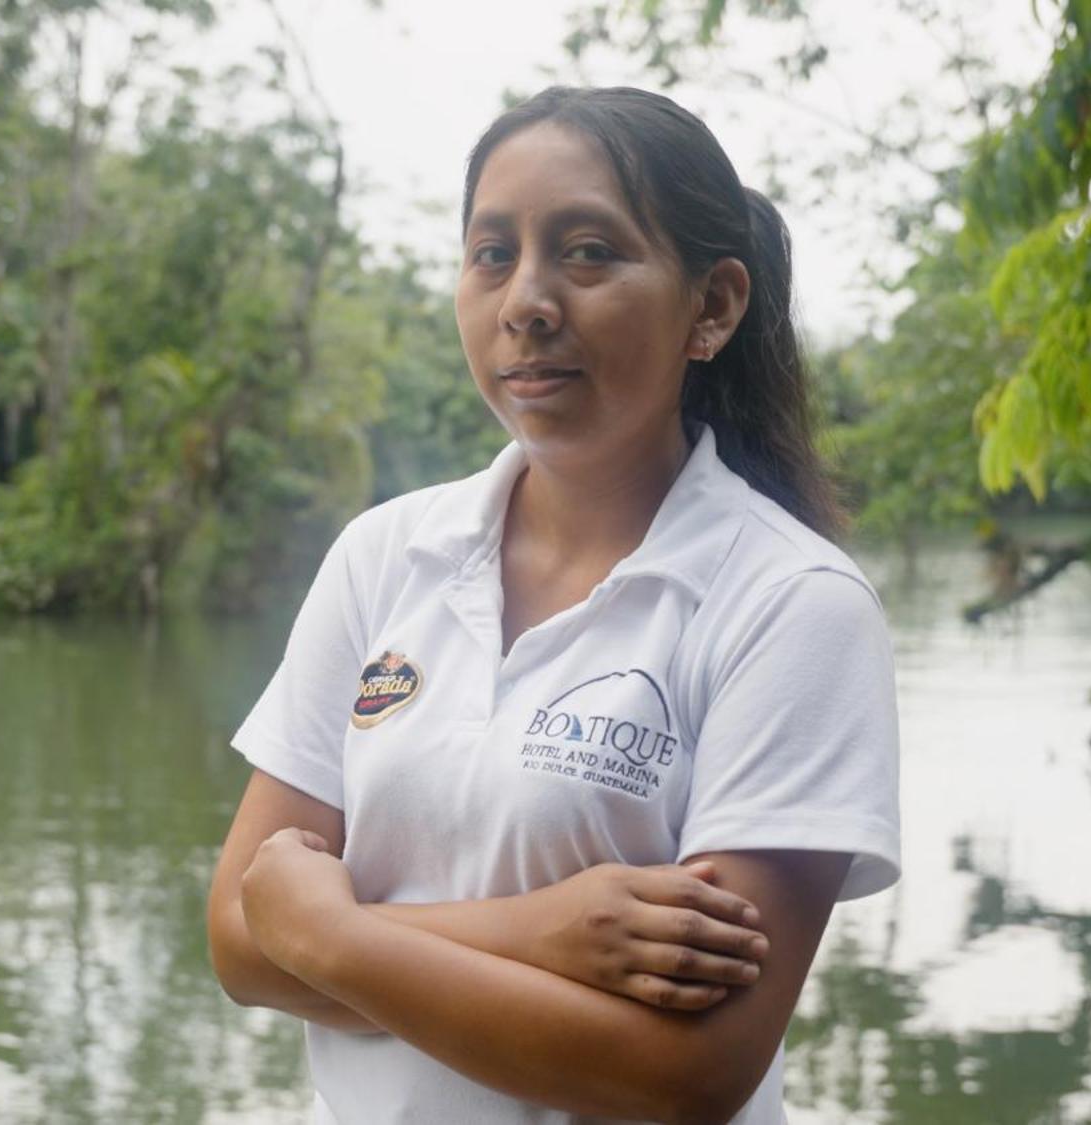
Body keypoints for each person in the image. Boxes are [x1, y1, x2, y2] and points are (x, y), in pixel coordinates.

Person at [206, 85, 901, 1124]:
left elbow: (686, 1073)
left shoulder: (789, 606)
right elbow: (238, 939)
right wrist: (541, 930)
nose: (525, 301)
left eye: (586, 253)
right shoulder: (382, 558)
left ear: (709, 307)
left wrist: (330, 934)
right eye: (492, 254)